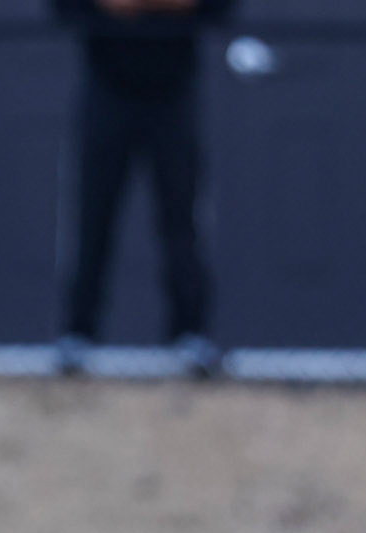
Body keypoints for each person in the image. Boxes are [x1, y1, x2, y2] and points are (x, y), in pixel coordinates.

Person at [52, 0, 236, 378]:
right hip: (107, 86)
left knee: (181, 217)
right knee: (93, 213)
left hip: (174, 90)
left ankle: (191, 336)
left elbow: (219, 10)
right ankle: (78, 336)